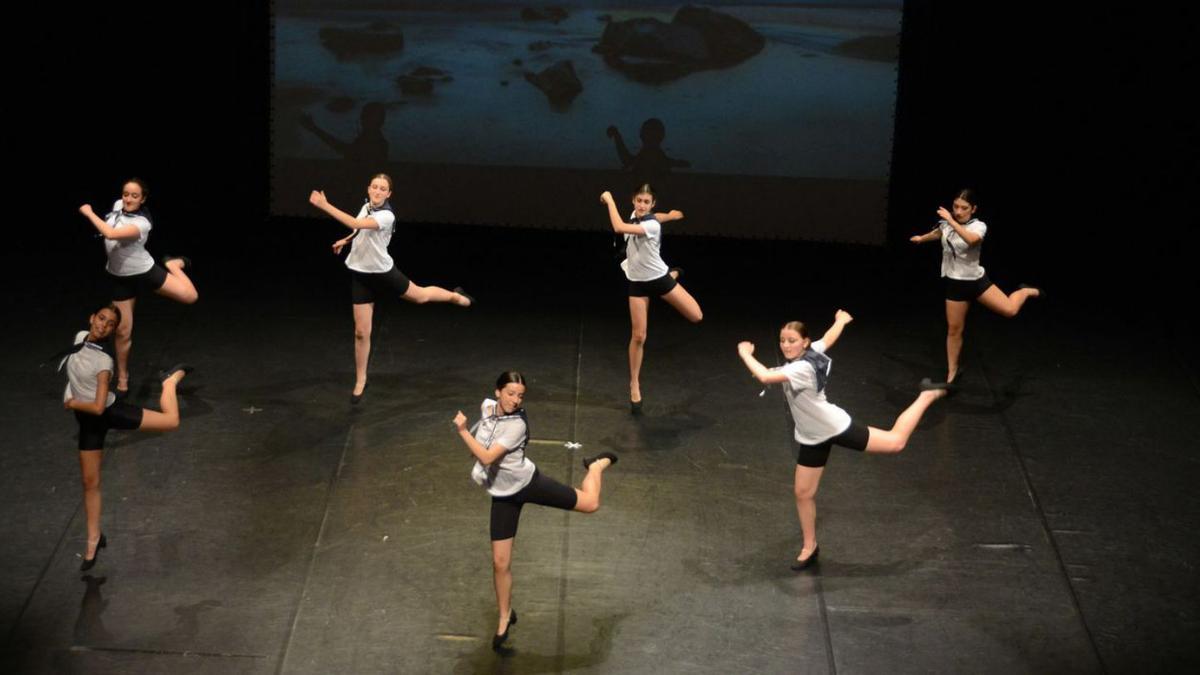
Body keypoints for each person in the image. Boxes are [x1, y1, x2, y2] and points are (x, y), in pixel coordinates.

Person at [737, 311, 947, 570]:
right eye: (782, 340)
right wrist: (841, 321)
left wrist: (746, 353)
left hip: (833, 427)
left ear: (804, 342)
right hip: (812, 436)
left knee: (896, 442)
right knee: (803, 493)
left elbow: (767, 377)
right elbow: (828, 339)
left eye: (792, 340)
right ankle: (809, 546)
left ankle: (925, 397)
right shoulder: (811, 350)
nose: (786, 345)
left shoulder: (802, 367)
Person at [452, 371, 617, 651]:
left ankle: (596, 466)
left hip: (528, 484)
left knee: (591, 503)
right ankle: (505, 616)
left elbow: (487, 456)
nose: (516, 400)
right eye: (510, 393)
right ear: (498, 392)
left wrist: (463, 431)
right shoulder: (487, 407)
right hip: (503, 495)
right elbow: (484, 439)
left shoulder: (517, 426)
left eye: (520, 396)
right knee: (500, 563)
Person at [309, 173, 473, 403]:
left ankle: (455, 297)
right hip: (361, 274)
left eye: (382, 189)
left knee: (421, 297)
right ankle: (360, 379)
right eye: (374, 187)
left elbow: (356, 223)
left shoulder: (386, 215)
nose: (377, 191)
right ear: (368, 189)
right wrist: (346, 241)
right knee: (361, 332)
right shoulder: (367, 206)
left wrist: (325, 205)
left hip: (383, 273)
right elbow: (358, 229)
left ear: (388, 194)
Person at [60, 304, 191, 571]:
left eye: (109, 324)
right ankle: (94, 539)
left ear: (112, 331)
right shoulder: (78, 338)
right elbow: (73, 376)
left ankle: (169, 383)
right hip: (88, 424)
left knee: (171, 421)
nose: (103, 325)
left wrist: (71, 404)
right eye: (101, 319)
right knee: (90, 483)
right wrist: (70, 396)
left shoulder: (104, 362)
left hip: (108, 413)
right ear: (92, 318)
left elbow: (97, 407)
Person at [78, 178, 199, 395]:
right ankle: (123, 377)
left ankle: (174, 265)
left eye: (134, 196)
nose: (128, 199)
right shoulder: (117, 205)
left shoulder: (142, 223)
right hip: (120, 277)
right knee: (123, 331)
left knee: (190, 297)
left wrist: (89, 212)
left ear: (142, 199)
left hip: (144, 271)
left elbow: (111, 233)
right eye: (126, 194)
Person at [910, 188, 1042, 386]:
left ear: (973, 209)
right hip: (955, 284)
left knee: (1010, 311)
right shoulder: (947, 224)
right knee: (954, 330)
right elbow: (938, 233)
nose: (958, 211)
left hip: (977, 282)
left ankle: (1024, 291)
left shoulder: (979, 226)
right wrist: (922, 238)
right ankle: (952, 374)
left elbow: (971, 240)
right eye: (955, 207)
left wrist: (952, 221)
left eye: (964, 208)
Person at [600, 185, 702, 414]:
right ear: (634, 201)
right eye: (639, 200)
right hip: (637, 282)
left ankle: (673, 275)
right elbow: (660, 217)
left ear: (652, 203)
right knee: (638, 335)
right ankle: (634, 383)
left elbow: (619, 227)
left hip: (658, 278)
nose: (642, 205)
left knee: (696, 316)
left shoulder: (650, 225)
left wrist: (609, 199)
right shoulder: (639, 216)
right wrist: (672, 216)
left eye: (647, 202)